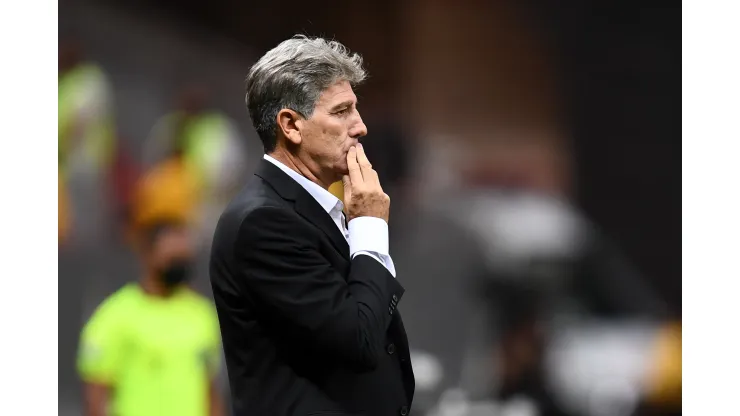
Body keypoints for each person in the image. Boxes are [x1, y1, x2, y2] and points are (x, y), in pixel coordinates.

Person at [209, 35, 415, 416]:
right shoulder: (263, 223)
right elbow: (359, 339)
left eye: (357, 109)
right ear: (291, 125)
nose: (361, 127)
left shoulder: (316, 209)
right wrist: (369, 229)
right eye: (342, 112)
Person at [77, 220, 225, 416]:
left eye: (184, 258)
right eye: (172, 257)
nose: (179, 264)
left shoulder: (202, 314)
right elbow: (95, 395)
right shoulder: (115, 316)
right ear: (147, 255)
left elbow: (210, 389)